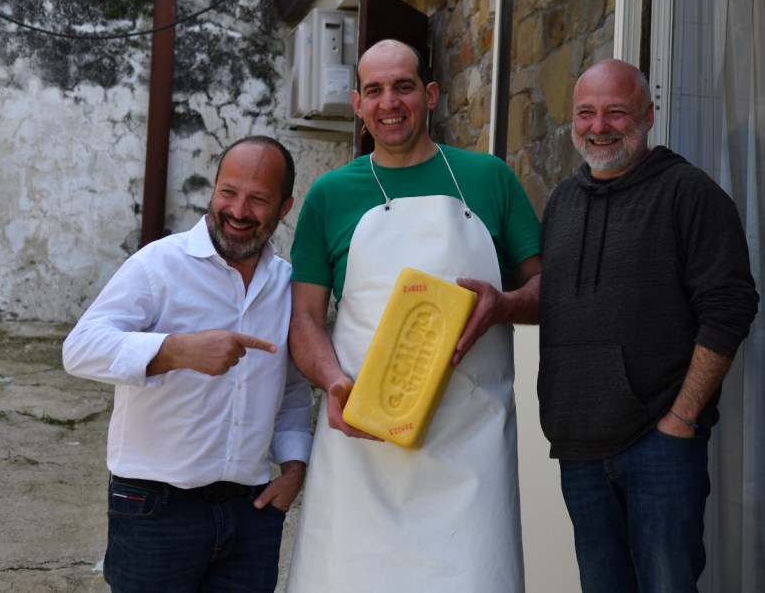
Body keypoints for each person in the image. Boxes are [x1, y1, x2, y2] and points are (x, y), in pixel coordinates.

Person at [285, 39, 541, 592]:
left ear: (430, 94)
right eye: (374, 90)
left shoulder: (489, 178)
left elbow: (548, 291)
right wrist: (333, 382)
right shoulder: (329, 195)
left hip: (471, 446)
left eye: (403, 86)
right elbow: (303, 318)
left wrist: (504, 305)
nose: (389, 102)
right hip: (361, 448)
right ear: (357, 103)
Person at [538, 59, 759, 592]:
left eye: (616, 112)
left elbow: (730, 307)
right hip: (579, 449)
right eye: (586, 113)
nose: (599, 126)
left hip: (660, 448)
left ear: (648, 115)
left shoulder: (690, 194)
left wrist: (682, 418)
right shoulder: (562, 202)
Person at [62, 136, 314, 593]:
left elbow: (292, 389)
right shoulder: (159, 264)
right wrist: (175, 351)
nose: (238, 211)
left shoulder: (287, 284)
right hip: (155, 509)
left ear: (285, 207)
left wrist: (294, 470)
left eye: (258, 199)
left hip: (252, 513)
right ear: (213, 189)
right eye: (228, 192)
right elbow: (79, 348)